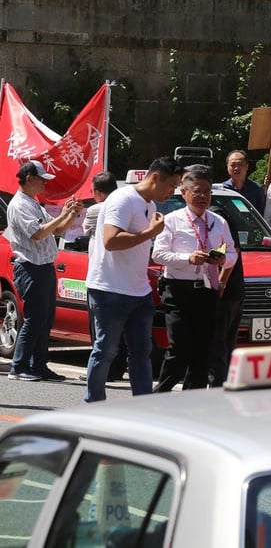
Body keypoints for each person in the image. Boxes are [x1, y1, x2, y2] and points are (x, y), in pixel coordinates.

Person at [85, 156, 184, 402]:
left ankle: (142, 405)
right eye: (172, 185)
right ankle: (95, 403)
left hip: (139, 291)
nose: (173, 191)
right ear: (155, 178)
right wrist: (149, 232)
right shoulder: (122, 199)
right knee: (106, 350)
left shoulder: (149, 205)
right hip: (109, 289)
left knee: (142, 352)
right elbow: (110, 241)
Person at [153, 167, 236, 392]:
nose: (203, 197)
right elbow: (158, 254)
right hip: (178, 290)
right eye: (197, 191)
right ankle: (160, 394)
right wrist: (187, 258)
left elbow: (233, 253)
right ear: (184, 193)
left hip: (207, 291)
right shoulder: (172, 221)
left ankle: (193, 400)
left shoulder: (219, 221)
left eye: (207, 192)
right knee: (179, 348)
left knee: (202, 350)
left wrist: (222, 261)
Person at [5, 160, 82, 382]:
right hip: (30, 267)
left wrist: (70, 214)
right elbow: (38, 233)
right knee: (34, 318)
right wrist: (62, 216)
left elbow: (56, 229)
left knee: (45, 319)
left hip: (43, 266)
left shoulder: (33, 202)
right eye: (41, 180)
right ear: (29, 179)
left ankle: (38, 365)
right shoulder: (18, 205)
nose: (43, 185)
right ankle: (18, 366)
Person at [81, 171, 128, 383]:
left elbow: (83, 230)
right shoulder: (127, 206)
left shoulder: (96, 209)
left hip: (101, 275)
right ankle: (116, 369)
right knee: (121, 328)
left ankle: (101, 373)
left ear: (97, 192)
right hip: (123, 275)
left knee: (100, 330)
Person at [207, 204, 243, 388]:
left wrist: (221, 283)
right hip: (233, 291)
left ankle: (217, 390)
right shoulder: (220, 211)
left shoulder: (216, 215)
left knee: (218, 346)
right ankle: (225, 387)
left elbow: (231, 251)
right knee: (226, 345)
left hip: (226, 291)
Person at [223, 150, 265, 214]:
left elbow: (262, 214)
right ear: (227, 167)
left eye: (240, 164)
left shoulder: (257, 189)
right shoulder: (222, 189)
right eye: (233, 165)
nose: (236, 168)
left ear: (247, 166)